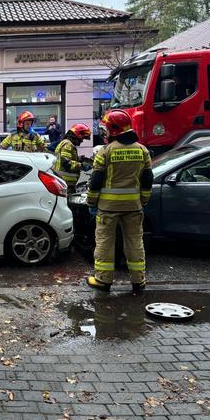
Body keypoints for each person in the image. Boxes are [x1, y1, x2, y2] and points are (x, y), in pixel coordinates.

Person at [86, 109, 153, 295]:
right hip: (133, 206)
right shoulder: (142, 150)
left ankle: (103, 280)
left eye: (107, 129)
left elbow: (96, 181)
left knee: (105, 242)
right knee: (134, 242)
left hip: (108, 208)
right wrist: (144, 200)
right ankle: (138, 280)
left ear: (113, 130)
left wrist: (91, 202)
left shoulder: (106, 152)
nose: (105, 132)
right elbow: (148, 179)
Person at [53, 123, 92, 194]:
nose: (82, 141)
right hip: (65, 183)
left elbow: (65, 158)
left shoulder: (65, 143)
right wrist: (82, 166)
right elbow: (66, 163)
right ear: (77, 135)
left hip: (64, 183)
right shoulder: (68, 144)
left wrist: (79, 159)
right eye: (82, 138)